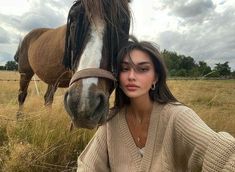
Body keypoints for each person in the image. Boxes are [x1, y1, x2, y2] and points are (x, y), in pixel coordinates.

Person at [77, 36, 235, 171]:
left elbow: (223, 153)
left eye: (142, 69)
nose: (131, 76)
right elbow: (87, 167)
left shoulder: (177, 117)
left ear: (155, 78)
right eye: (125, 69)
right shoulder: (110, 123)